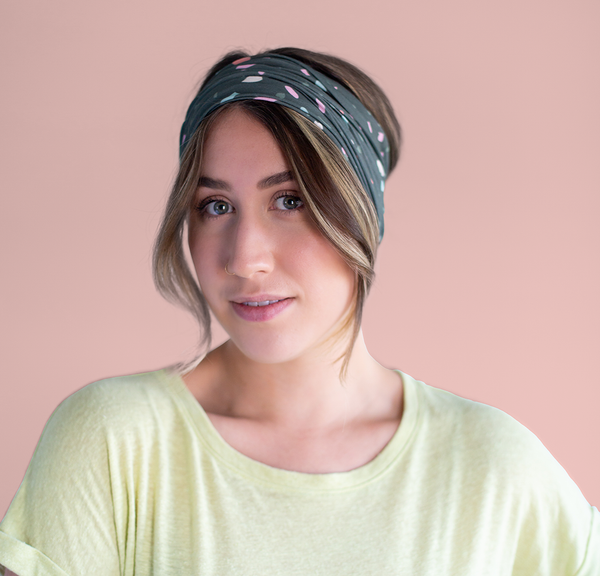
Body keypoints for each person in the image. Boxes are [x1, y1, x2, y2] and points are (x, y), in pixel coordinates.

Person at [0, 47, 598, 575]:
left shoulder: (491, 467)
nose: (245, 258)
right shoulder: (112, 442)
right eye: (213, 206)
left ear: (363, 218)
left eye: (289, 200)